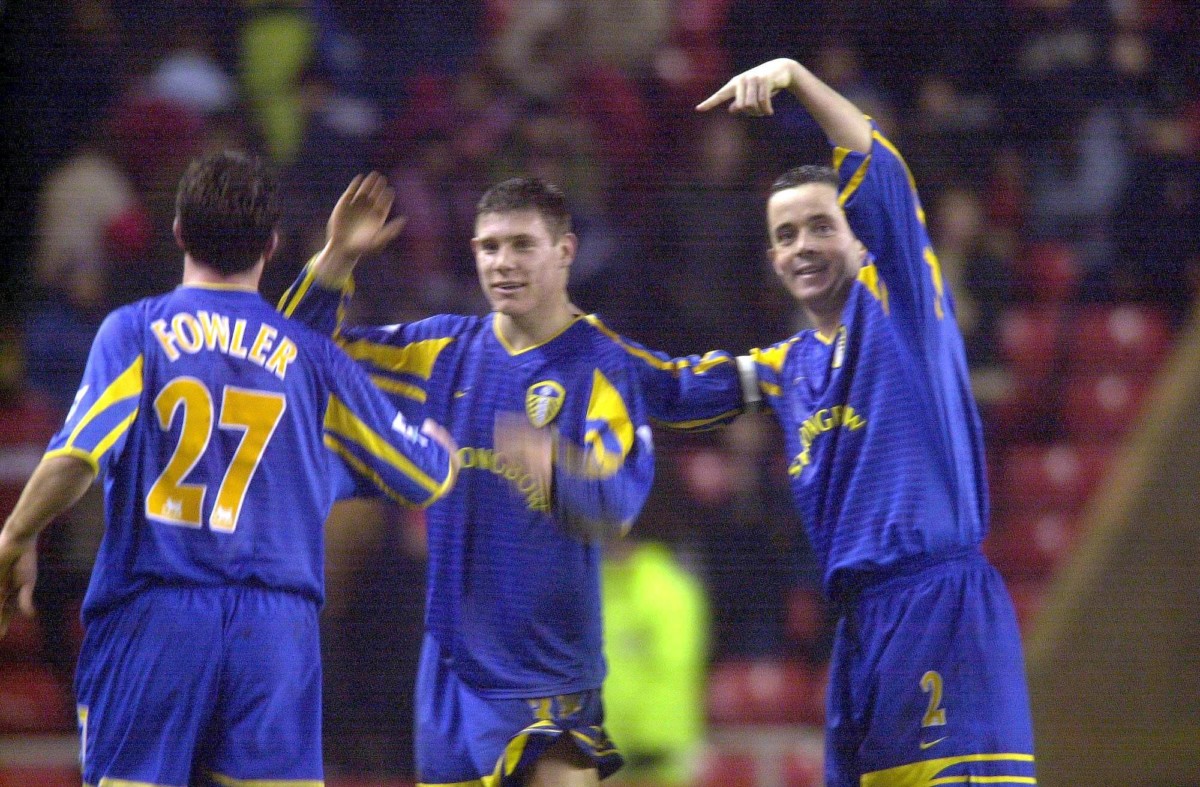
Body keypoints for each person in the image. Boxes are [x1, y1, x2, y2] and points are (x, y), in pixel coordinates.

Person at [0, 150, 458, 787]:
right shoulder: (310, 359)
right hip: (276, 631)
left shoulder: (134, 331)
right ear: (272, 244)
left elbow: (77, 456)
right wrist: (441, 444)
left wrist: (15, 537)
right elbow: (423, 476)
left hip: (153, 615)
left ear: (179, 230)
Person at [278, 174, 740, 786]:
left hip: (544, 675)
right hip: (447, 672)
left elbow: (617, 507)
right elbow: (297, 352)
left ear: (565, 251)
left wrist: (553, 470)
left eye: (522, 245)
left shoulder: (601, 365)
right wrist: (338, 257)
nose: (503, 262)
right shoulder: (442, 348)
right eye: (489, 246)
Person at [695, 58, 1037, 784]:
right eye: (786, 235)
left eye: (823, 225)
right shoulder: (790, 367)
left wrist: (793, 75)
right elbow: (665, 386)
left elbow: (879, 165)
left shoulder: (902, 306)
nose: (804, 247)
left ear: (861, 239)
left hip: (938, 608)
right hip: (858, 631)